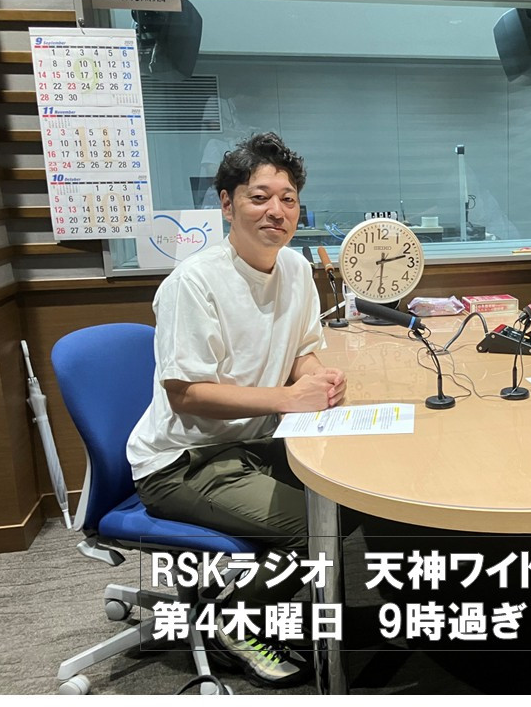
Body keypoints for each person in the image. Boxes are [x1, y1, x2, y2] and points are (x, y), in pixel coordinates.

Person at [127, 132, 346, 687]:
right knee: (316, 531)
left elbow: (301, 350)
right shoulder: (194, 282)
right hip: (182, 462)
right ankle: (233, 620)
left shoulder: (295, 269)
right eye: (259, 197)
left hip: (253, 443)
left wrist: (316, 376)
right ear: (227, 204)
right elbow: (186, 393)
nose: (277, 210)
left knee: (349, 497)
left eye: (288, 198)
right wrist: (288, 398)